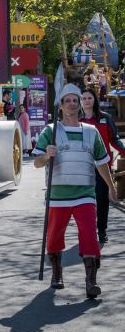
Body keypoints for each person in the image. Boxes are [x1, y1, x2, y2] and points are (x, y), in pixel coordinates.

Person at [33, 83, 117, 298]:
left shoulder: (91, 132)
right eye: (67, 100)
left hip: (85, 195)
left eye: (74, 100)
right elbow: (37, 163)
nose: (71, 104)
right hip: (58, 196)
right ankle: (57, 272)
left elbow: (101, 163)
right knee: (54, 236)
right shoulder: (50, 131)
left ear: (80, 104)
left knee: (89, 234)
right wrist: (46, 156)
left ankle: (91, 282)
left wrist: (111, 185)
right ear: (60, 106)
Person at [80, 88, 125, 243]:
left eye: (89, 98)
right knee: (84, 201)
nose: (86, 100)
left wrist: (124, 151)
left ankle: (102, 230)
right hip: (82, 167)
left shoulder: (105, 118)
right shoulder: (76, 120)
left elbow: (115, 139)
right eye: (84, 98)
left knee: (102, 199)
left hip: (102, 165)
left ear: (94, 100)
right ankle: (87, 231)